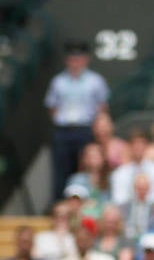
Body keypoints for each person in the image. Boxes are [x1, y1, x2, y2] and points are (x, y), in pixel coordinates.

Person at [46, 41, 110, 202]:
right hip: (64, 130)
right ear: (67, 60)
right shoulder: (58, 81)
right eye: (71, 59)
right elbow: (52, 107)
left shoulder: (96, 81)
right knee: (61, 170)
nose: (75, 62)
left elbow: (102, 107)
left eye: (78, 58)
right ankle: (60, 206)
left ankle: (90, 201)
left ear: (85, 60)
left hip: (85, 130)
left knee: (87, 168)